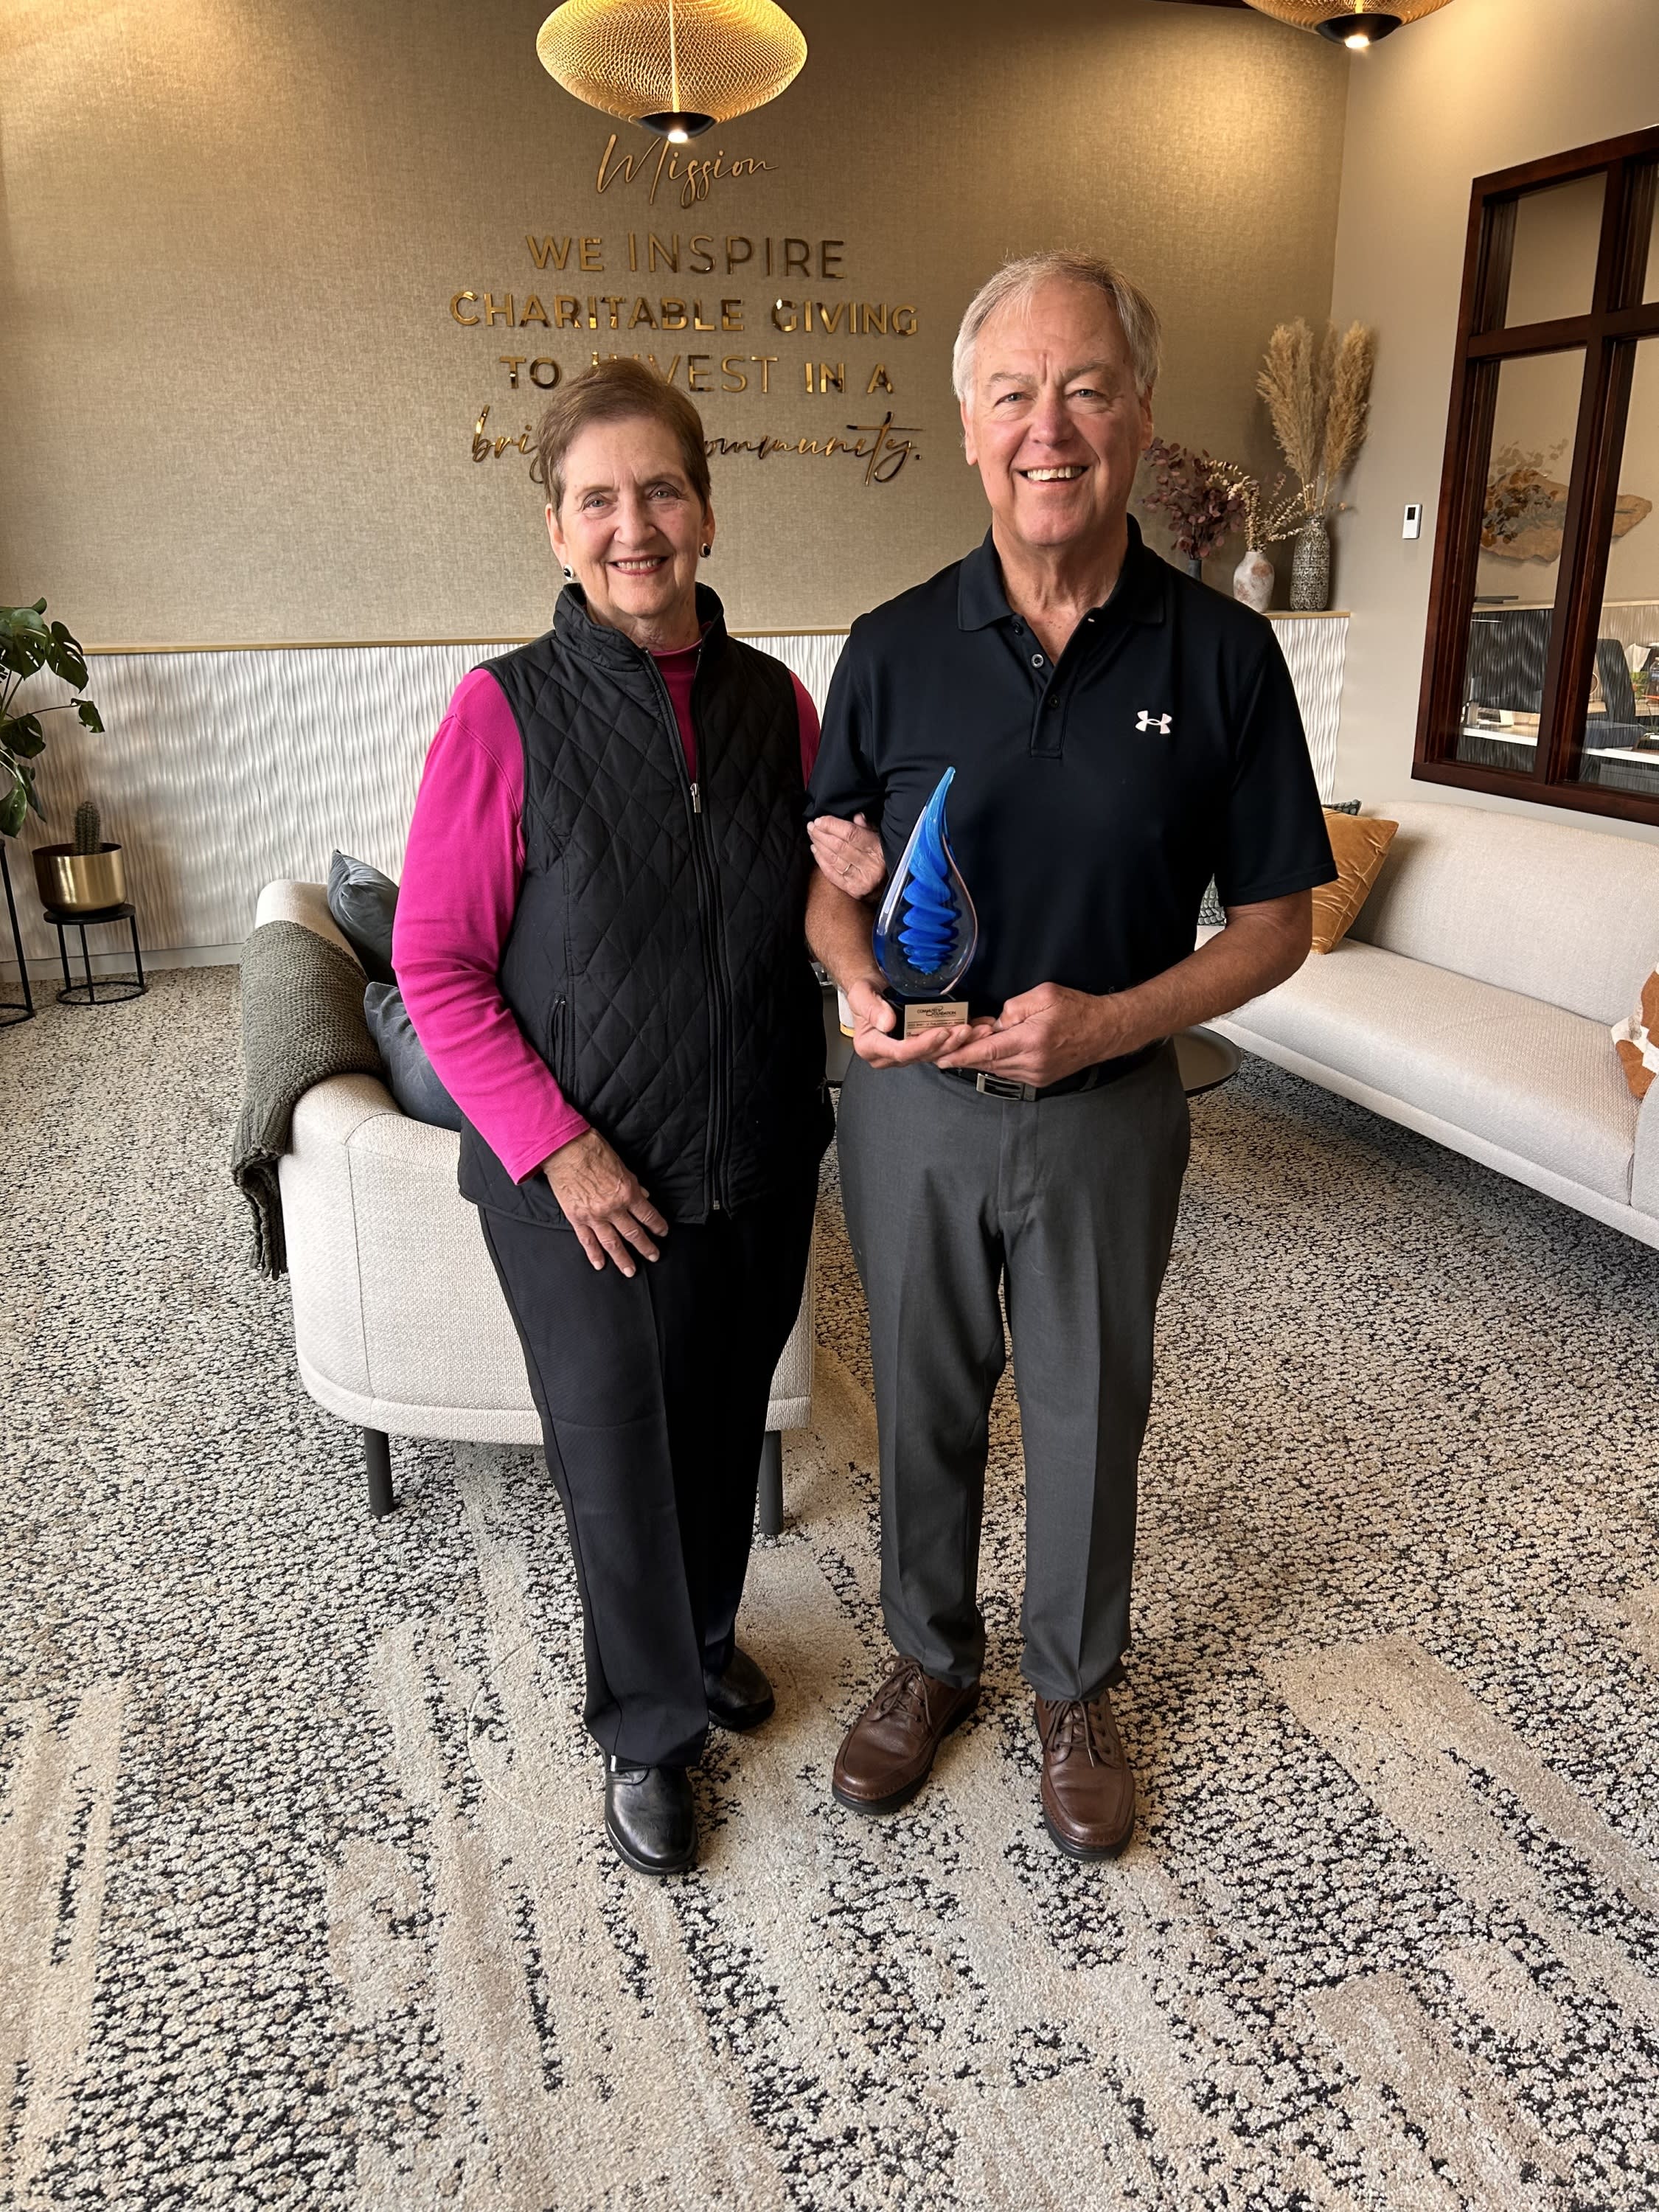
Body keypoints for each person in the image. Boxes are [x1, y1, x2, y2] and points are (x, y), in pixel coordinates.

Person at [805, 251, 1335, 1861]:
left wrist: (1106, 1021)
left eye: (1087, 387)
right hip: (912, 1114)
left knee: (1095, 1404)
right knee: (920, 1396)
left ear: (1138, 414)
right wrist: (850, 980)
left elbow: (1276, 924)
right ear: (968, 425)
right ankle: (924, 1659)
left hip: (1112, 1104)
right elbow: (824, 884)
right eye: (1015, 393)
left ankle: (1074, 1687)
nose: (1053, 426)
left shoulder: (1222, 659)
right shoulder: (890, 647)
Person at [394, 359, 832, 1879]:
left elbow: (834, 911)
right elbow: (437, 967)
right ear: (556, 531)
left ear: (704, 508)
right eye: (598, 500)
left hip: (761, 1156)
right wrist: (557, 1148)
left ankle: (704, 1642)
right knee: (624, 1453)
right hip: (584, 1179)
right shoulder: (502, 712)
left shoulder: (782, 704)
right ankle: (649, 1731)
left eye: (660, 490)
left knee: (717, 1432)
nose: (633, 525)